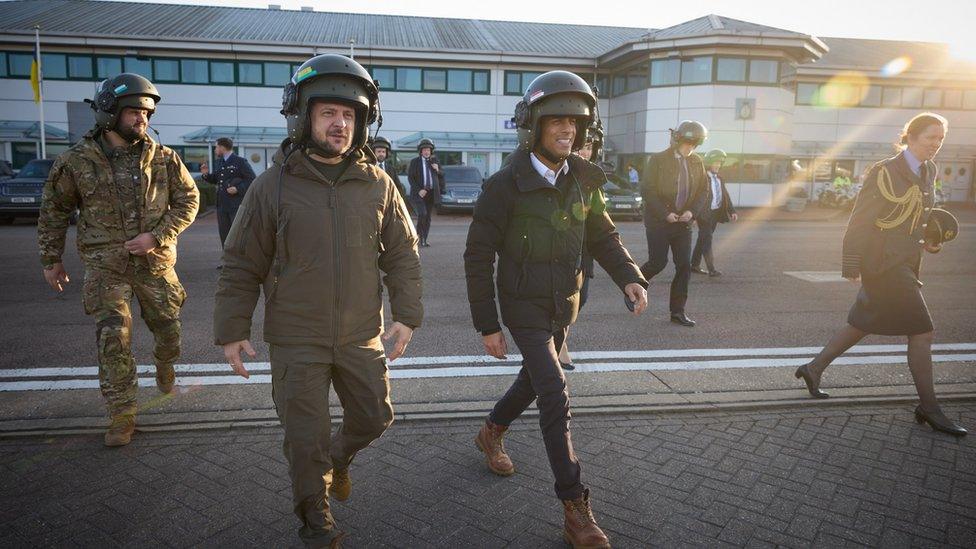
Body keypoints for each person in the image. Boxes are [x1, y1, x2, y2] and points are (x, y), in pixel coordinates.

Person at [213, 54, 423, 546]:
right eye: (329, 112)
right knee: (305, 441)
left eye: (349, 115)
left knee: (375, 417)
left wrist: (407, 316)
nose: (340, 123)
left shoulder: (379, 185)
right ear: (303, 116)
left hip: (359, 334)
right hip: (296, 338)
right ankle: (315, 519)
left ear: (363, 121)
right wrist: (232, 331)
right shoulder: (272, 187)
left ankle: (340, 460)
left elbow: (404, 255)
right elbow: (241, 261)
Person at [464, 70, 648, 549]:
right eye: (557, 121)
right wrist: (488, 324)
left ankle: (491, 431)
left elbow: (603, 235)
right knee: (553, 389)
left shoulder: (585, 182)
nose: (568, 130)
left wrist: (629, 276)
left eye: (576, 123)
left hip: (564, 305)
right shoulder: (504, 186)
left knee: (532, 381)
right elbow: (478, 257)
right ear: (534, 126)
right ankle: (575, 506)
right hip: (522, 306)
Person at [37, 73, 200, 446]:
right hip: (105, 267)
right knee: (114, 339)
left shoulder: (164, 158)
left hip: (156, 265)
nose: (143, 119)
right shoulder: (76, 162)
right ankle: (122, 415)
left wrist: (157, 236)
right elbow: (54, 211)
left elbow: (190, 201)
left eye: (147, 112)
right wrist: (52, 260)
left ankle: (164, 362)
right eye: (134, 112)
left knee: (169, 332)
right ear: (109, 112)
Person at [795, 113, 966, 437]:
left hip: (906, 260)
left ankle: (813, 369)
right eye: (930, 137)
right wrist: (852, 265)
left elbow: (918, 216)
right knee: (923, 333)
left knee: (862, 323)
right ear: (911, 136)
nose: (936, 144)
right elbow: (859, 221)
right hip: (883, 264)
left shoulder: (929, 170)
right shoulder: (884, 171)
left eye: (940, 139)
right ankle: (929, 408)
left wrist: (928, 239)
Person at [639, 120, 708, 327]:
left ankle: (678, 311)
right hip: (659, 222)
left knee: (684, 266)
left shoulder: (697, 162)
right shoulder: (658, 160)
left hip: (683, 224)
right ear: (678, 140)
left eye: (694, 145)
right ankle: (632, 285)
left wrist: (691, 212)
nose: (690, 149)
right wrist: (665, 213)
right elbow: (648, 191)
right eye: (687, 144)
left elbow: (703, 191)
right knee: (658, 263)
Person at [558, 129, 601, 371]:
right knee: (560, 302)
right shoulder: (562, 174)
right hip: (559, 251)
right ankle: (557, 347)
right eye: (581, 146)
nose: (586, 151)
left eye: (589, 147)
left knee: (580, 300)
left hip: (584, 253)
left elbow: (602, 226)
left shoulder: (592, 178)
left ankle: (559, 340)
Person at [200, 137, 255, 260]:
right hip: (222, 205)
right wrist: (206, 175)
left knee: (236, 234)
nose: (215, 150)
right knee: (224, 234)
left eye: (216, 147)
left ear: (222, 147)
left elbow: (251, 179)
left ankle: (240, 261)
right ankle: (227, 260)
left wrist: (238, 188)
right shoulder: (220, 162)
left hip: (235, 205)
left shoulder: (240, 162)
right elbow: (217, 179)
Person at [691, 149, 737, 277]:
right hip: (703, 215)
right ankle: (711, 269)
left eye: (720, 163)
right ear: (709, 163)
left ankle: (694, 265)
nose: (718, 165)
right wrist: (693, 215)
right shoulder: (702, 178)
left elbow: (725, 195)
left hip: (715, 214)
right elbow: (694, 197)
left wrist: (732, 211)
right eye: (715, 163)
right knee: (707, 241)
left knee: (702, 239)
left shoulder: (719, 179)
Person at [407, 138, 444, 247]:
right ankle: (418, 236)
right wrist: (419, 190)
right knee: (422, 214)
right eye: (424, 150)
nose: (426, 152)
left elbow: (442, 175)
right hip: (420, 194)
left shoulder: (435, 161)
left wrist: (437, 170)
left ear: (431, 151)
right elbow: (411, 178)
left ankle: (424, 239)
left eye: (428, 150)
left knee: (428, 217)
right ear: (420, 151)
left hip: (431, 194)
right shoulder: (415, 162)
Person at [371, 135, 406, 203]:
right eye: (379, 151)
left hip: (389, 201)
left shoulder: (391, 169)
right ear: (373, 152)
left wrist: (399, 200)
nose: (381, 154)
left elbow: (398, 186)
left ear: (386, 153)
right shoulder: (369, 167)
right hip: (373, 203)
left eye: (383, 152)